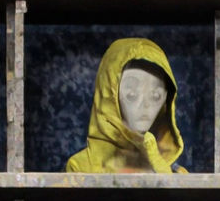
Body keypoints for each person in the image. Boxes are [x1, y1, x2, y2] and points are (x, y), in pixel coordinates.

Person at [66, 38, 186, 174]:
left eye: (155, 95)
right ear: (109, 96)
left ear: (166, 100)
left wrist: (160, 170)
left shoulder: (177, 174)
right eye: (132, 95)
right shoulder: (81, 168)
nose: (146, 105)